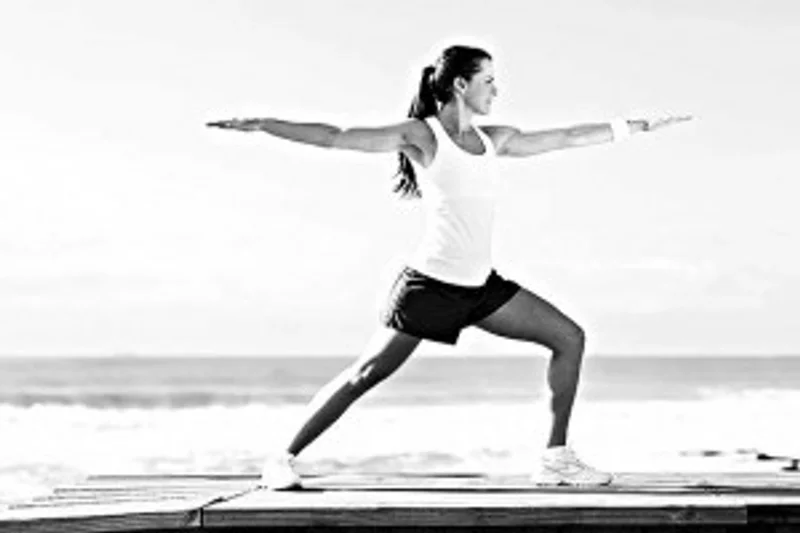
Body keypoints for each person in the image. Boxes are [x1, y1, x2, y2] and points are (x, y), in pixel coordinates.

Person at [207, 44, 691, 489]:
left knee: (569, 338)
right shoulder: (424, 136)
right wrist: (265, 124)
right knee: (367, 374)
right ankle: (282, 459)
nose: (496, 90)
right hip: (430, 287)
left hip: (480, 289)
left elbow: (563, 137)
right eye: (488, 81)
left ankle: (555, 458)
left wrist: (632, 127)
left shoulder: (493, 139)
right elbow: (338, 137)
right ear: (461, 84)